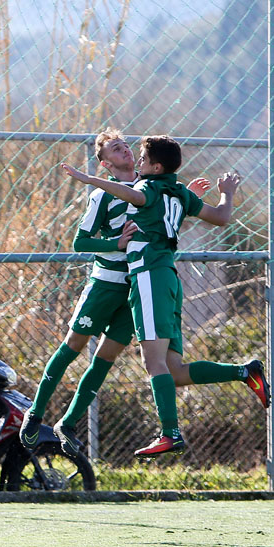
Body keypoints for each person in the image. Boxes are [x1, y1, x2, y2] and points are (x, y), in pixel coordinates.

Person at [61, 135, 269, 458]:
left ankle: (170, 433)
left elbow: (130, 193)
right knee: (174, 371)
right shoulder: (181, 192)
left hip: (148, 278)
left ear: (155, 167)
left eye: (142, 159)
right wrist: (227, 193)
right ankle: (244, 371)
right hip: (170, 281)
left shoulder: (147, 188)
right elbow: (221, 217)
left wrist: (90, 180)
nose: (138, 163)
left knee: (152, 362)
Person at [20, 129, 205, 454]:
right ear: (105, 164)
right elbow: (80, 242)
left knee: (106, 357)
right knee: (73, 345)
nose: (125, 151)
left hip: (135, 286)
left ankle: (69, 421)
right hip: (105, 284)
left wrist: (186, 197)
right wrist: (114, 243)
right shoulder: (104, 194)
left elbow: (164, 223)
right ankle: (35, 413)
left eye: (125, 146)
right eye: (115, 149)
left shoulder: (151, 186)